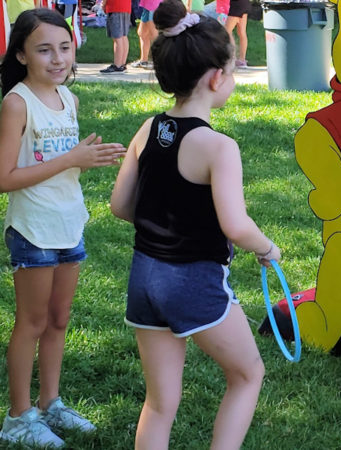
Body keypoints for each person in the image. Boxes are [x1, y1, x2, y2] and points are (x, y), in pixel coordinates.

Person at [110, 0, 279, 448]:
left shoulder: (148, 128)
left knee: (161, 402)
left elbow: (119, 205)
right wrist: (267, 248)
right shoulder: (218, 147)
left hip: (144, 279)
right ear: (215, 77)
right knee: (247, 374)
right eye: (232, 70)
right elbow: (236, 225)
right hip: (192, 284)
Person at [0, 8, 126, 449]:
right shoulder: (17, 103)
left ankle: (50, 403)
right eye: (44, 49)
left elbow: (54, 165)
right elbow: (5, 177)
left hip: (69, 225)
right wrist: (70, 159)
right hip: (33, 230)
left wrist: (84, 159)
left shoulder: (68, 99)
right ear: (21, 55)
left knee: (58, 319)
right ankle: (18, 417)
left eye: (65, 48)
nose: (58, 59)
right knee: (31, 323)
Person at [99, 0, 131, 74]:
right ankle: (122, 64)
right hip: (126, 6)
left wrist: (103, 4)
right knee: (123, 35)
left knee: (117, 38)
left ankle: (117, 65)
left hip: (115, 6)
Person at [130, 0, 160, 69]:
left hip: (154, 5)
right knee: (142, 33)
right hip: (147, 5)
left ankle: (159, 61)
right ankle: (143, 60)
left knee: (154, 34)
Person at [224, 0, 249, 68]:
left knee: (226, 32)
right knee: (242, 32)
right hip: (244, 4)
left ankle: (231, 58)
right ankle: (242, 60)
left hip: (236, 5)